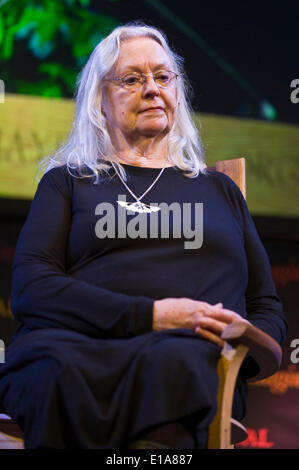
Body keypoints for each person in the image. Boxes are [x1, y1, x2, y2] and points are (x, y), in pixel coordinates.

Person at [0, 22, 287, 449]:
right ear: (99, 100)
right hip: (74, 349)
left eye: (162, 76)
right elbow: (32, 288)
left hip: (189, 353)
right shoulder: (69, 183)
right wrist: (153, 315)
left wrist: (240, 344)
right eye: (132, 79)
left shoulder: (219, 190)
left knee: (178, 363)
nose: (152, 89)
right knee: (55, 366)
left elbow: (266, 307)